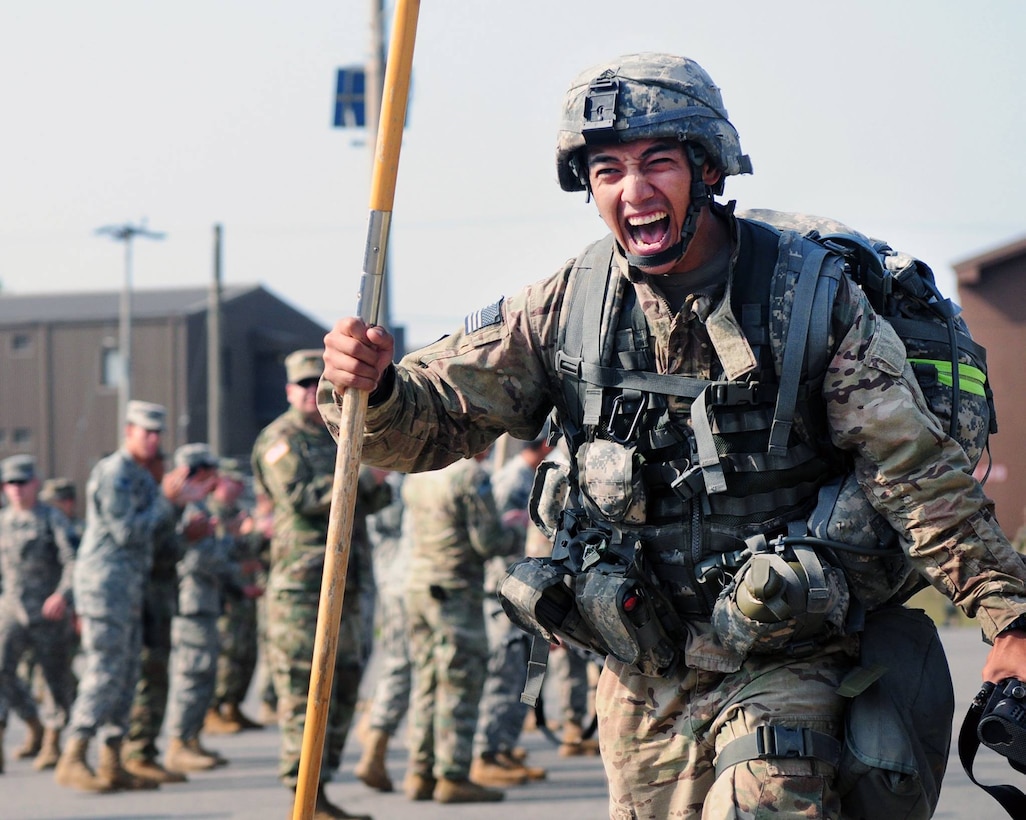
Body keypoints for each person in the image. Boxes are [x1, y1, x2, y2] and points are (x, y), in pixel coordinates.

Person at [319, 53, 1026, 819]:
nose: (635, 190)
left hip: (790, 652)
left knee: (764, 802)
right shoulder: (566, 306)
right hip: (642, 664)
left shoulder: (812, 300)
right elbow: (424, 426)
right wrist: (374, 388)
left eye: (658, 162)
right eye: (608, 171)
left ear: (708, 167)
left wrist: (1010, 617)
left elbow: (912, 470)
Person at [252, 349, 389, 820]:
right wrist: (360, 472)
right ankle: (301, 795)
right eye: (303, 384)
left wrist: (370, 473)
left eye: (319, 382)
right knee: (300, 693)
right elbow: (302, 496)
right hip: (300, 590)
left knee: (346, 684)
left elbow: (375, 497)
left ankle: (321, 789)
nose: (313, 392)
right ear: (288, 391)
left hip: (347, 583)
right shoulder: (281, 439)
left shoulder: (341, 432)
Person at [55, 400, 208, 794]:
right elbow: (128, 532)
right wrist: (167, 503)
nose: (153, 439)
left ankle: (112, 759)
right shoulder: (115, 473)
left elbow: (156, 539)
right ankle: (74, 755)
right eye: (145, 432)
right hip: (105, 585)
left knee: (125, 675)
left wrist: (178, 519)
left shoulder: (142, 477)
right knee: (105, 668)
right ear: (128, 432)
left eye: (158, 433)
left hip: (130, 586)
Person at [398, 451, 526, 804]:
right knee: (460, 681)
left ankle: (420, 771)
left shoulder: (418, 471)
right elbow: (487, 541)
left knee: (426, 680)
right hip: (454, 589)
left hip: (418, 584)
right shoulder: (470, 476)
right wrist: (515, 529)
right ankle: (452, 774)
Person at [471, 435, 552, 787]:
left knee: (522, 674)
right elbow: (492, 536)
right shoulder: (509, 481)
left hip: (520, 592)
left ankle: (502, 745)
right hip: (503, 590)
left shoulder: (527, 478)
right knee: (504, 673)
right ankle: (487, 751)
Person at [0, 455, 78, 773]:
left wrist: (62, 595)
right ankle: (30, 722)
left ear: (35, 484)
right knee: (2, 672)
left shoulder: (52, 519)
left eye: (23, 482)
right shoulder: (3, 521)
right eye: (11, 483)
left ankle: (53, 739)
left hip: (49, 613)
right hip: (11, 611)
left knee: (56, 678)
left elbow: (73, 560)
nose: (17, 489)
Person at [353, 475, 410, 794]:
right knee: (402, 666)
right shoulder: (391, 481)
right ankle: (376, 740)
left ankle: (379, 731)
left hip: (403, 582)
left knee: (409, 668)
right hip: (399, 583)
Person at [204, 458, 266, 734]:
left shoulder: (239, 512)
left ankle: (233, 704)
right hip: (225, 595)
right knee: (226, 654)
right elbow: (216, 556)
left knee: (245, 652)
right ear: (220, 481)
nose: (239, 487)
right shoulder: (210, 512)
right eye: (234, 481)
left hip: (245, 594)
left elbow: (248, 550)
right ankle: (213, 709)